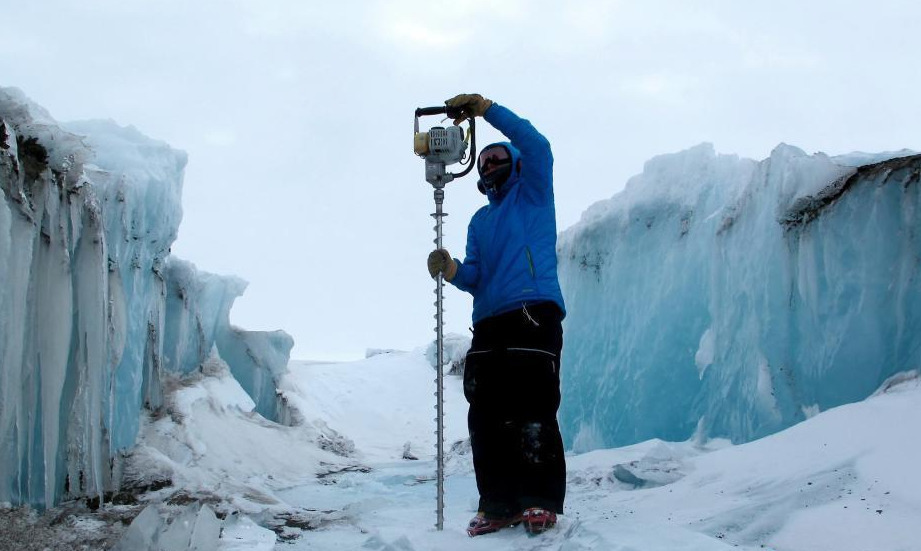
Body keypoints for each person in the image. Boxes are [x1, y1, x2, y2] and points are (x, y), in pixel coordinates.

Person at [427, 93, 567, 537]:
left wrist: (486, 110)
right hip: (488, 322)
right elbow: (476, 278)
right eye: (483, 162)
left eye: (496, 157)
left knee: (533, 408)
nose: (488, 166)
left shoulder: (533, 194)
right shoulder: (479, 222)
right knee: (485, 414)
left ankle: (539, 500)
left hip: (532, 312)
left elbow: (538, 143)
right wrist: (451, 271)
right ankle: (499, 502)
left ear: (515, 162)